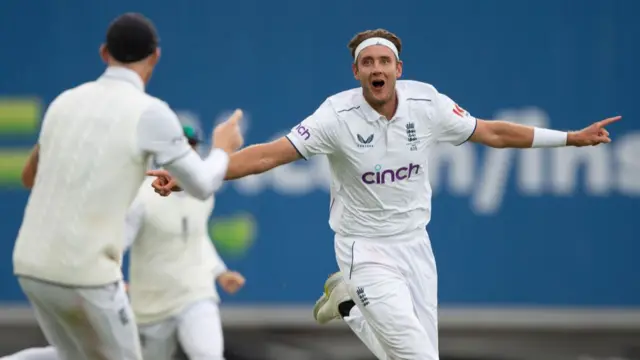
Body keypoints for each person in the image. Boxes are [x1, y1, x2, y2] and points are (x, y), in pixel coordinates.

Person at [148, 29, 621, 360]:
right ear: (357, 72)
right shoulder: (335, 115)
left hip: (416, 243)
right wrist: (191, 174)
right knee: (416, 355)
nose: (377, 69)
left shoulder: (427, 102)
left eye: (384, 62)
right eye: (367, 63)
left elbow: (493, 132)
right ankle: (354, 295)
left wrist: (569, 138)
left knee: (416, 353)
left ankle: (349, 305)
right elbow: (269, 155)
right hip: (363, 249)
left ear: (398, 68)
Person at [13, 12, 243, 360]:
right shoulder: (150, 112)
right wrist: (223, 149)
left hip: (30, 264)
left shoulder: (64, 102)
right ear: (155, 57)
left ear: (104, 53)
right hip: (87, 275)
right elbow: (201, 184)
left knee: (71, 355)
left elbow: (30, 178)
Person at [3, 127, 246, 360]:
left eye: (193, 148)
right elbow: (117, 242)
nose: (190, 154)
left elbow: (197, 236)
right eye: (184, 148)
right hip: (150, 303)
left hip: (195, 293)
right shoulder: (141, 195)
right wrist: (111, 278)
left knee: (208, 355)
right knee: (88, 354)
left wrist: (220, 272)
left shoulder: (202, 195)